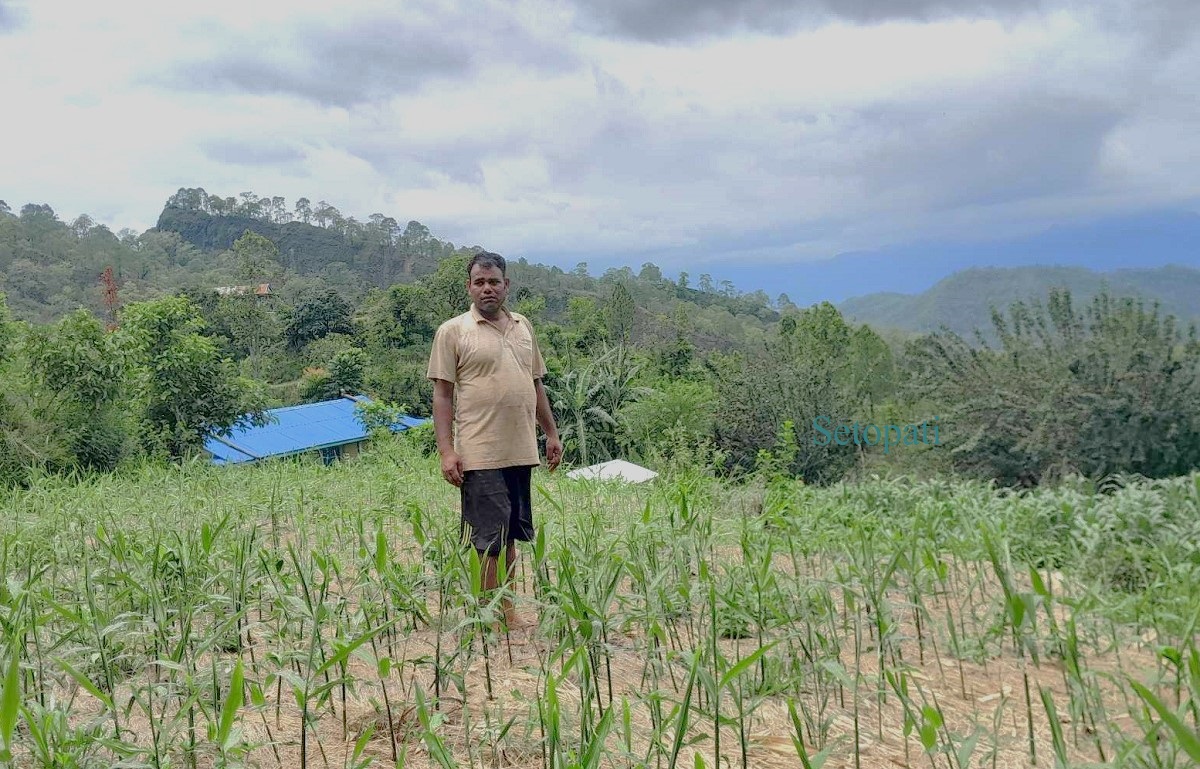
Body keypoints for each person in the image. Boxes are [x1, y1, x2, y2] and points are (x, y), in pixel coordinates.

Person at [426, 251, 563, 630]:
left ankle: (507, 610)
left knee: (512, 535)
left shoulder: (523, 326)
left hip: (520, 449)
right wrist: (446, 450)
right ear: (469, 287)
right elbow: (442, 394)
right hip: (479, 452)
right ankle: (488, 615)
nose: (488, 289)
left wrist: (550, 433)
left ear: (507, 285)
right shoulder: (453, 331)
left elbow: (535, 384)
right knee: (488, 539)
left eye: (494, 282)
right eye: (480, 282)